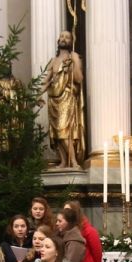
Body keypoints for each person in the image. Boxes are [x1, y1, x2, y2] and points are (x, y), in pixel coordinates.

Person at [40, 31, 85, 169]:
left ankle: (74, 161)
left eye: (67, 37)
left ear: (71, 41)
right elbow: (46, 81)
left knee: (64, 131)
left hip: (66, 98)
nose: (63, 39)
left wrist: (75, 62)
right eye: (61, 36)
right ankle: (64, 161)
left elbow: (79, 79)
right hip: (53, 99)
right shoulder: (53, 61)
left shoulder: (73, 57)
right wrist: (38, 95)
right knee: (56, 133)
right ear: (58, 40)